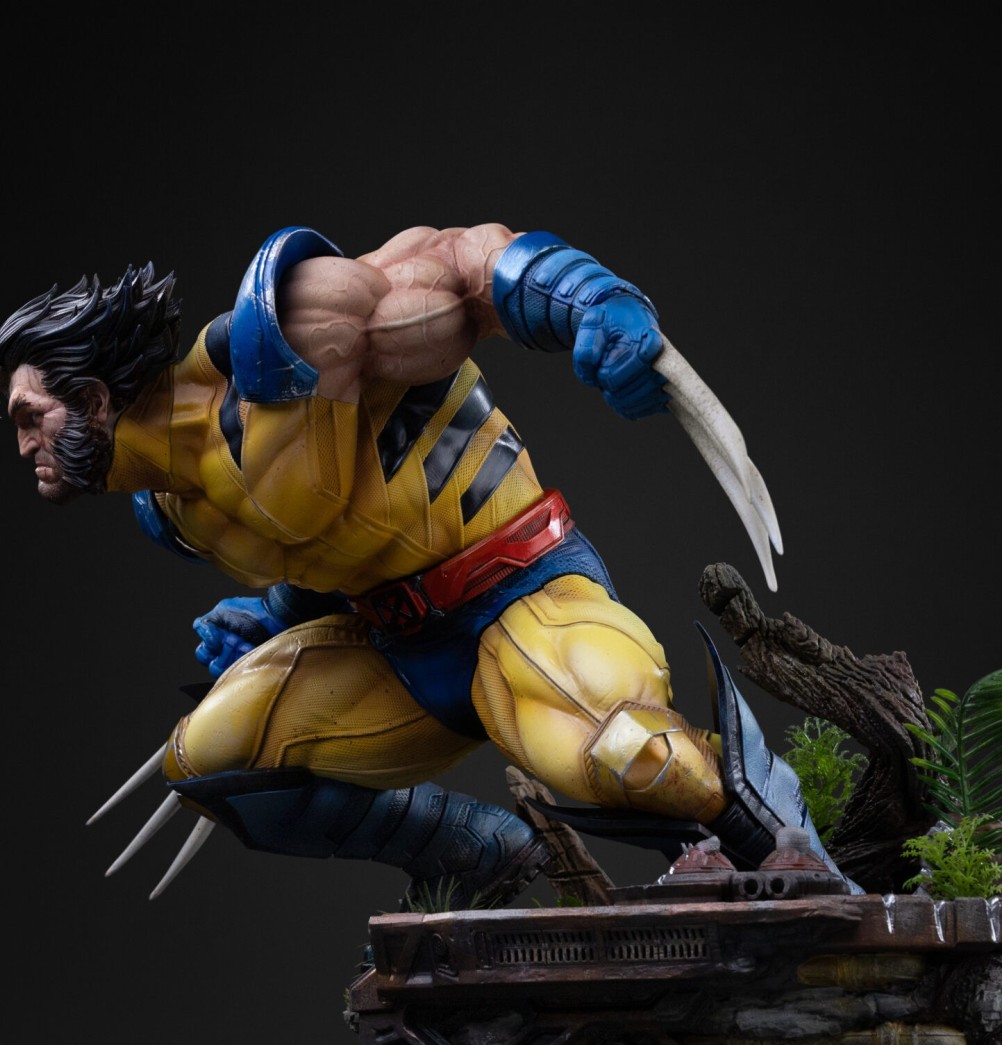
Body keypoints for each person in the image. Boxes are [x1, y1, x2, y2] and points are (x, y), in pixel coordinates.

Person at [1, 224, 856, 907]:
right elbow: (332, 537)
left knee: (632, 755)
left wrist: (589, 298)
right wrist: (277, 615)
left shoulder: (293, 338)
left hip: (517, 591)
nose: (24, 444)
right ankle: (475, 856)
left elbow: (454, 266)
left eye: (31, 416)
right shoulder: (171, 510)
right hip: (396, 653)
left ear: (95, 400)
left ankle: (812, 879)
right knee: (211, 761)